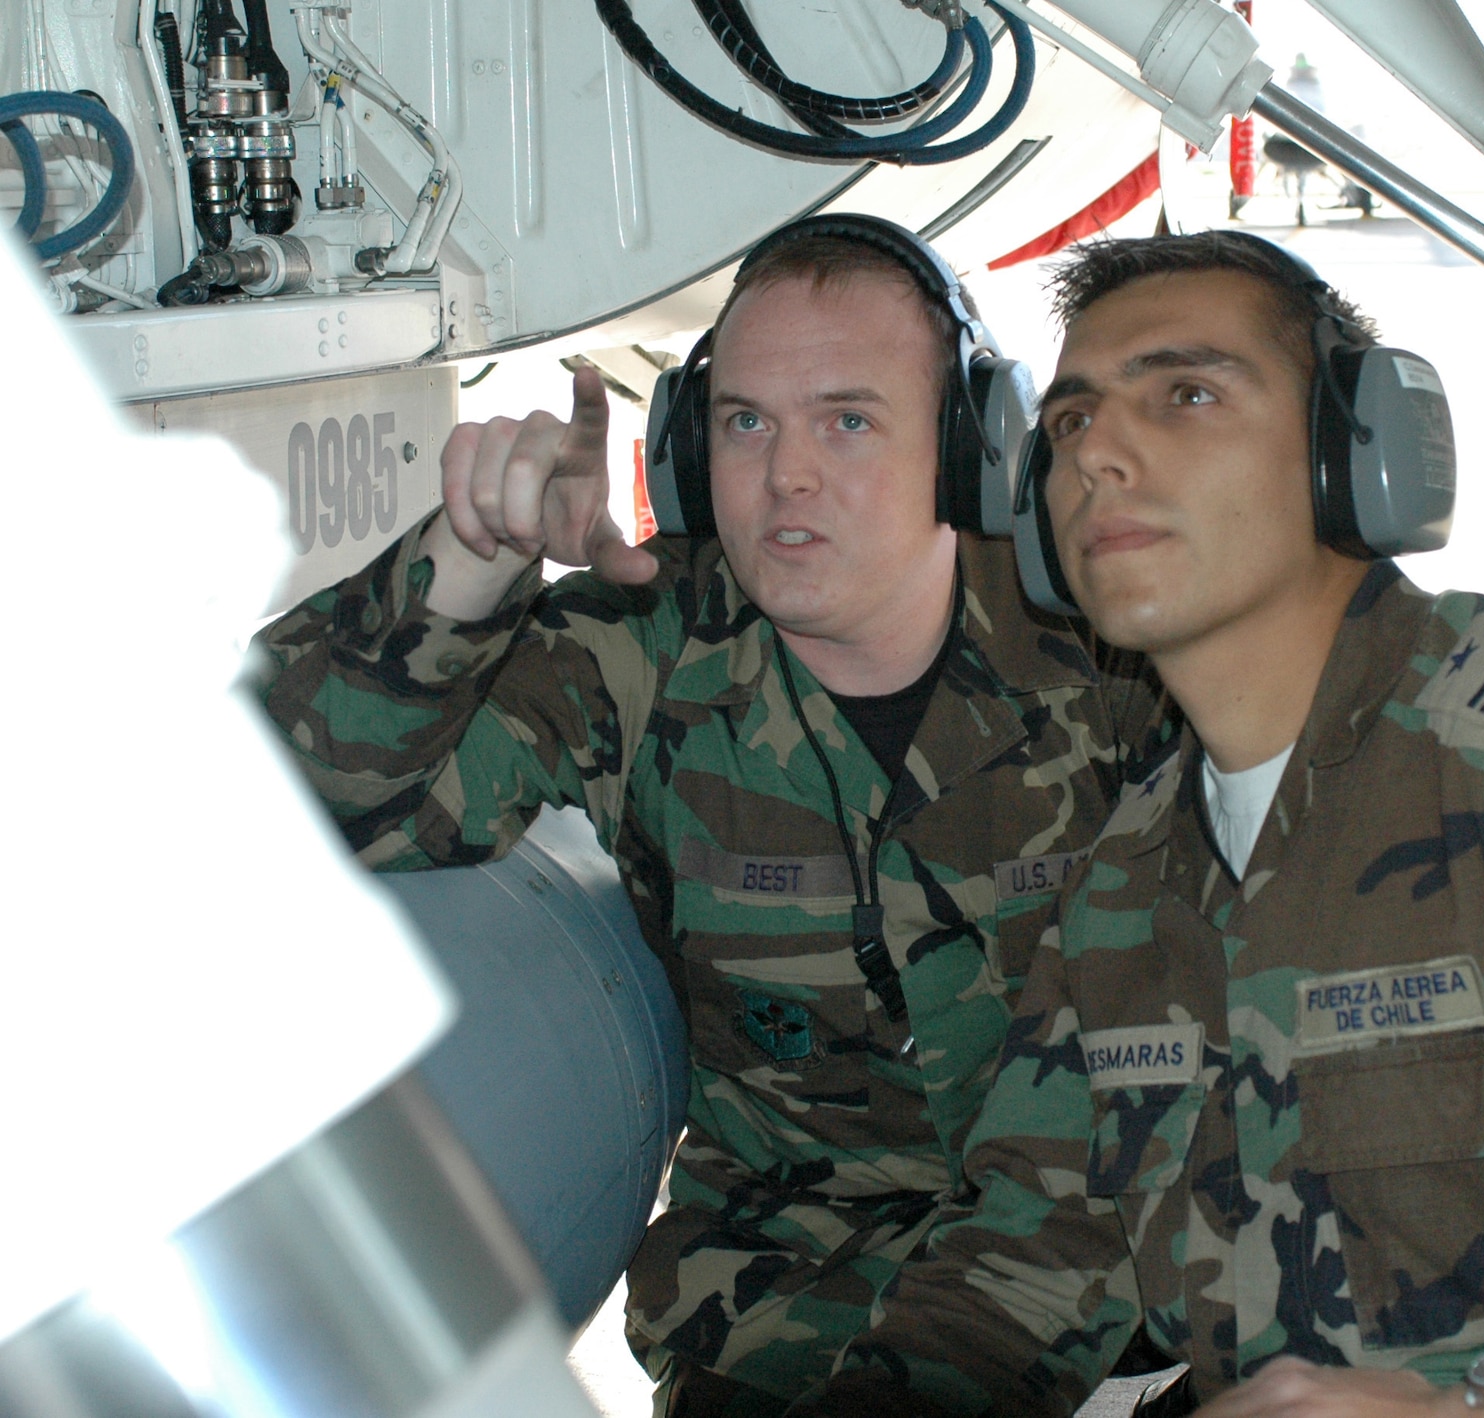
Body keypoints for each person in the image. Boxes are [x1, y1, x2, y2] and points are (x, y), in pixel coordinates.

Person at [793, 232, 1484, 1418]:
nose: (1098, 458)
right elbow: (1025, 1259)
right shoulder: (1127, 875)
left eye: (1184, 394)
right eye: (1070, 422)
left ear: (1351, 455)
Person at [254, 216, 1163, 1417]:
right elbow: (278, 803)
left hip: (1105, 1310)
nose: (785, 475)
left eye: (846, 418)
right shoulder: (647, 644)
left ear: (967, 447)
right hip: (782, 1319)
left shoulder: (1114, 650)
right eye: (745, 422)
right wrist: (470, 566)